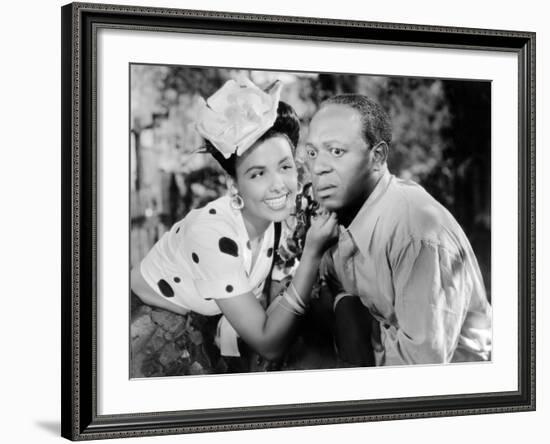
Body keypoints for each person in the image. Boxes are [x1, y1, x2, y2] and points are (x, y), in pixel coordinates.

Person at [131, 78, 338, 363]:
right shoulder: (212, 234)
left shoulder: (272, 217)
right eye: (257, 173)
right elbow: (269, 344)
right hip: (144, 333)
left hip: (199, 323)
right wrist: (312, 253)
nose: (278, 185)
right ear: (234, 184)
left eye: (284, 167)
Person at [304, 94, 492, 366]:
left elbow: (422, 368)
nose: (318, 168)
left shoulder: (416, 234)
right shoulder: (343, 217)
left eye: (336, 151)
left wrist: (354, 336)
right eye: (312, 153)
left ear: (377, 156)